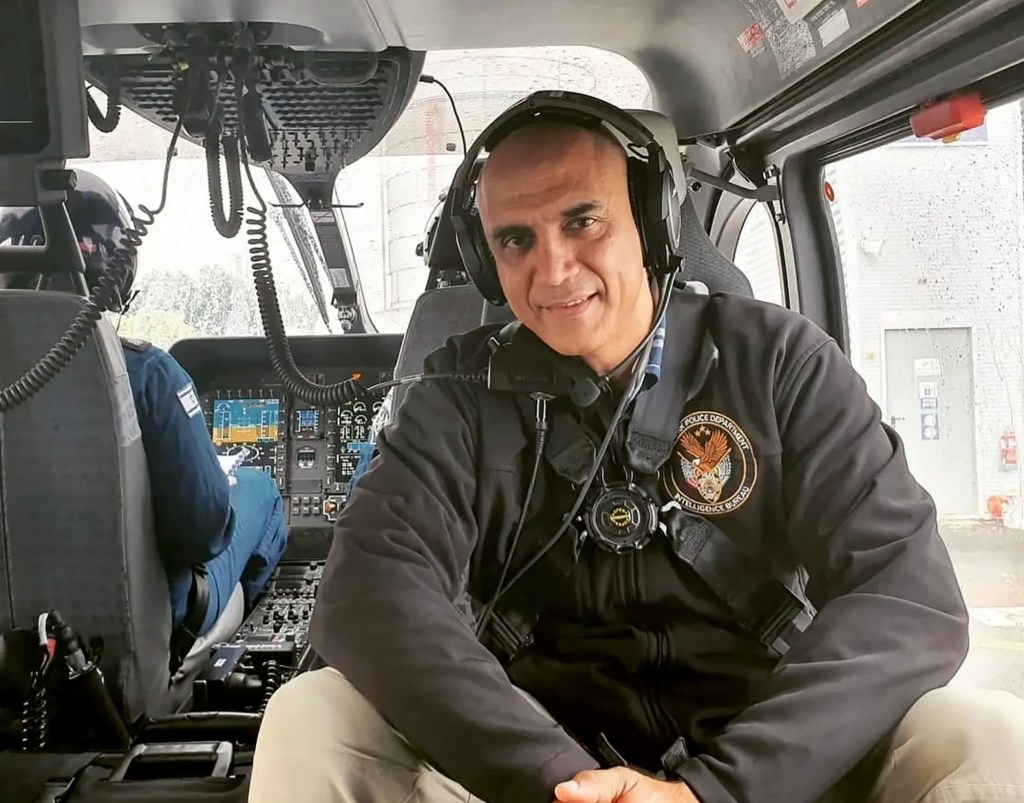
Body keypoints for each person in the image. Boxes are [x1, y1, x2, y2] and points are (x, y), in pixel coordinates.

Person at [249, 92, 1024, 803]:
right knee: (311, 716)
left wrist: (713, 791)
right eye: (515, 239)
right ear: (486, 260)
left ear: (652, 222)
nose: (553, 269)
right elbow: (370, 598)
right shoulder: (456, 396)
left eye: (582, 221)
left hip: (771, 771)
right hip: (542, 777)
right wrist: (565, 782)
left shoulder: (781, 363)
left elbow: (907, 594)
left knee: (983, 734)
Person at [0, 170, 288, 664]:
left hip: (11, 651)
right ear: (117, 275)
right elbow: (204, 533)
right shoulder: (148, 374)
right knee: (260, 490)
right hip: (142, 628)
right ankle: (211, 665)